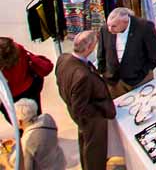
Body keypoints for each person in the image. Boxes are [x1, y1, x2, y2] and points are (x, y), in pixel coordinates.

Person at [54, 30, 115, 170]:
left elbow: (61, 83)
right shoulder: (82, 76)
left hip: (79, 114)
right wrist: (100, 111)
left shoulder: (63, 59)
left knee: (86, 144)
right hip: (91, 119)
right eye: (94, 44)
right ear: (89, 48)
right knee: (95, 150)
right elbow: (80, 108)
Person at [97, 7, 156, 98]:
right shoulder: (105, 30)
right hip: (114, 83)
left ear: (125, 22)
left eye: (114, 26)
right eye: (109, 26)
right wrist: (103, 72)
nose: (110, 29)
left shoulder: (144, 27)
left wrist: (144, 71)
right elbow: (101, 54)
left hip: (139, 79)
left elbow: (154, 54)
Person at [7, 97, 65, 170]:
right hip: (58, 164)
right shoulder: (47, 119)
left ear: (20, 122)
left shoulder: (27, 143)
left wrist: (5, 162)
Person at [0, 37, 51, 119]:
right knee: (35, 117)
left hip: (10, 97)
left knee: (19, 123)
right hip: (29, 88)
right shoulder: (17, 48)